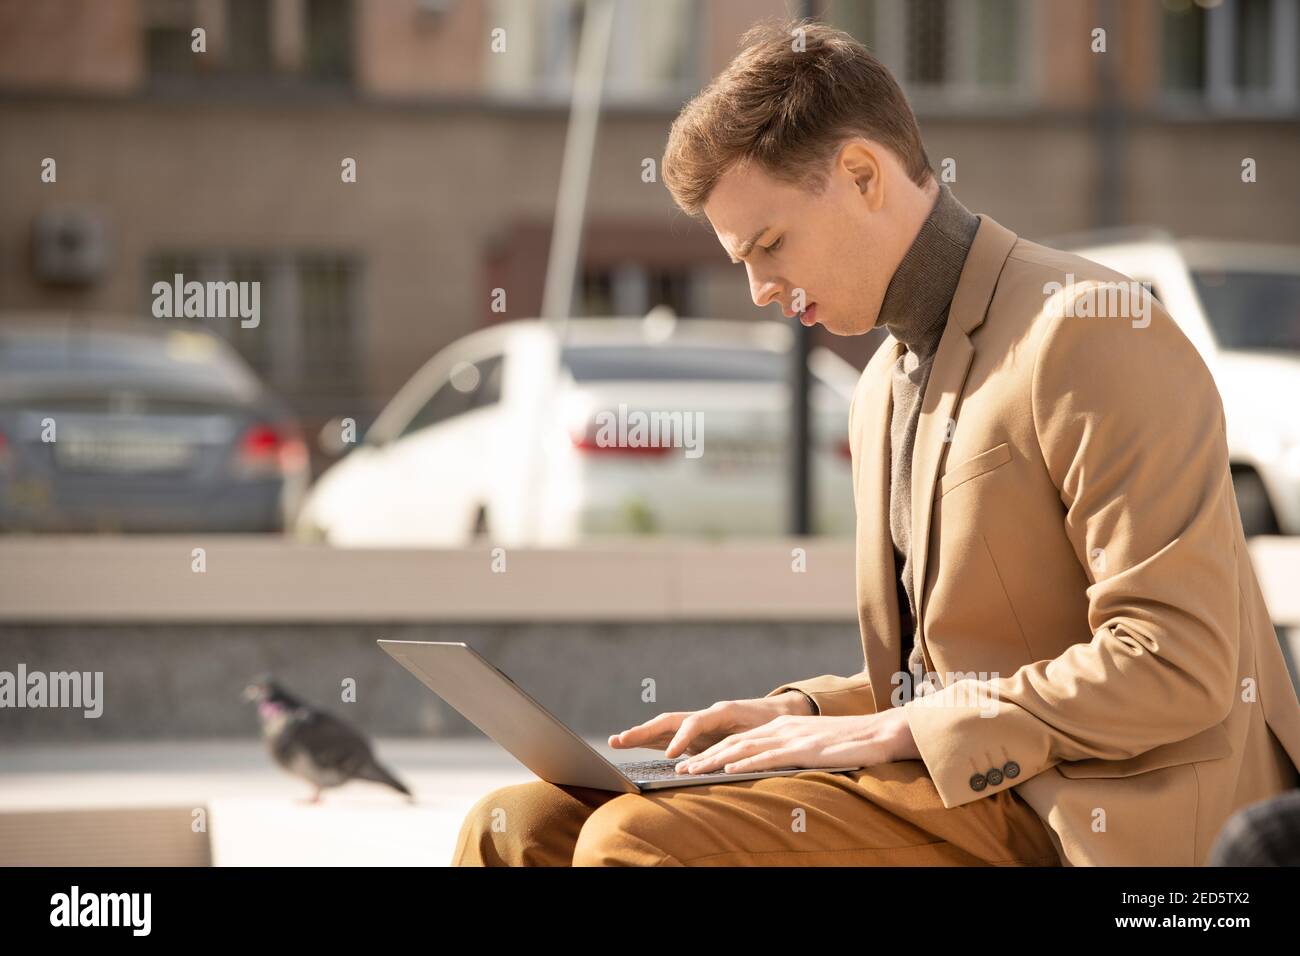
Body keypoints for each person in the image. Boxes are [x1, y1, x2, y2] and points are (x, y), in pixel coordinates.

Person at [452, 17, 1300, 867]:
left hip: (1104, 813)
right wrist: (800, 713)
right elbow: (942, 682)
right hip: (966, 787)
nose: (758, 289)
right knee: (516, 826)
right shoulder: (878, 391)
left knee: (635, 840)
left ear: (862, 174)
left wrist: (896, 726)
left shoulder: (1087, 328)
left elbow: (1177, 661)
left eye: (770, 244)